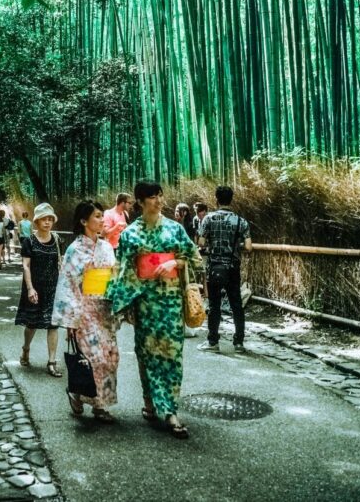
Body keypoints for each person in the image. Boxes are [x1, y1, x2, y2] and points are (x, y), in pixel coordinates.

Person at [108, 181, 200, 439]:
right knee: (146, 353)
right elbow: (123, 269)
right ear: (140, 201)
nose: (159, 200)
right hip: (145, 302)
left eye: (160, 195)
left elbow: (194, 258)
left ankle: (170, 410)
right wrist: (123, 304)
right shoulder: (130, 234)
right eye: (152, 197)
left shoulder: (174, 228)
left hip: (170, 301)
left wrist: (174, 261)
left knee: (172, 355)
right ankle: (149, 400)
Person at [53, 200, 120, 423]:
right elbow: (68, 285)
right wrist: (71, 321)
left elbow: (114, 277)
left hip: (105, 309)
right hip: (84, 311)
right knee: (93, 359)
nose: (102, 220)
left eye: (102, 216)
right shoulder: (74, 250)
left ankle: (99, 404)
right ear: (84, 221)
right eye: (98, 216)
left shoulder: (106, 246)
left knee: (110, 357)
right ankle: (83, 397)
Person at [198, 186, 252, 354]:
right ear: (231, 199)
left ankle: (213, 342)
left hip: (214, 267)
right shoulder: (240, 221)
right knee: (236, 305)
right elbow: (248, 247)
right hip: (232, 267)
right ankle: (239, 343)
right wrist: (236, 246)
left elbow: (200, 243)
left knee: (214, 305)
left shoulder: (208, 219)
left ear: (216, 199)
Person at [15, 202, 62, 377]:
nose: (47, 222)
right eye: (44, 219)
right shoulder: (29, 241)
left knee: (53, 324)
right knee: (31, 324)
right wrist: (30, 289)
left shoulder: (57, 240)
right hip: (34, 287)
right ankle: (26, 349)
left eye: (50, 219)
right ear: (36, 222)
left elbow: (60, 263)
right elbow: (26, 266)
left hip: (53, 288)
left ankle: (52, 361)